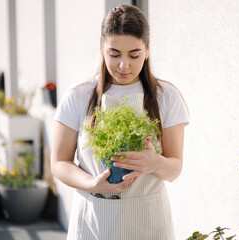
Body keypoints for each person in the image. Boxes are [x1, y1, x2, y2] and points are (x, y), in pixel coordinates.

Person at [51, 4, 189, 240]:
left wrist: (155, 162)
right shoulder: (78, 96)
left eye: (134, 55)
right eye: (114, 54)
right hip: (93, 221)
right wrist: (92, 183)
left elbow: (174, 168)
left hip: (149, 220)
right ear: (102, 49)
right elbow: (60, 163)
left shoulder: (166, 96)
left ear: (147, 50)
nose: (124, 65)